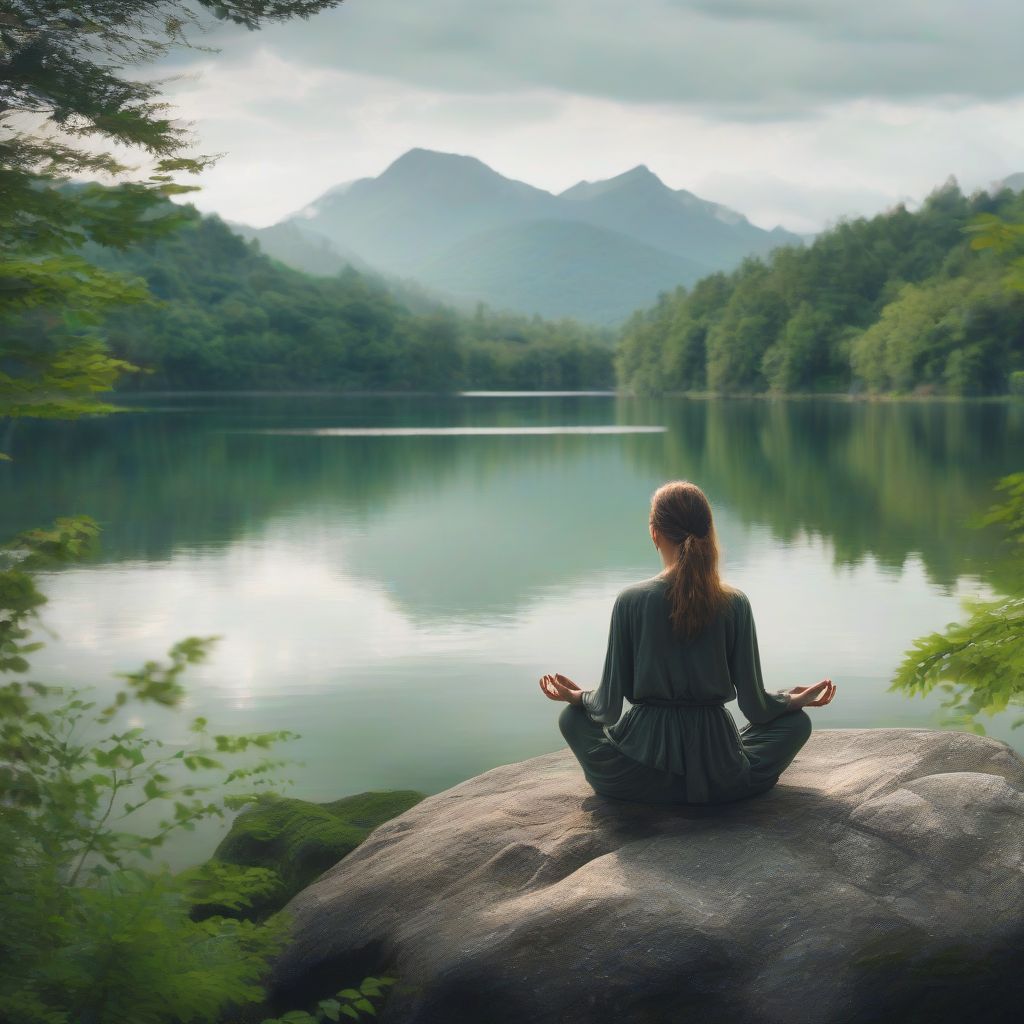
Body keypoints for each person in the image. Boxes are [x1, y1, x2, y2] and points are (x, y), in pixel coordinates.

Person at [539, 480, 836, 805]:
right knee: (796, 724)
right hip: (719, 773)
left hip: (637, 776)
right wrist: (791, 701)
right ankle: (711, 774)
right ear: (709, 531)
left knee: (572, 719)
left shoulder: (631, 601)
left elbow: (607, 709)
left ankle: (660, 789)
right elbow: (756, 708)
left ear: (655, 533)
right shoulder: (735, 603)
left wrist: (579, 697)